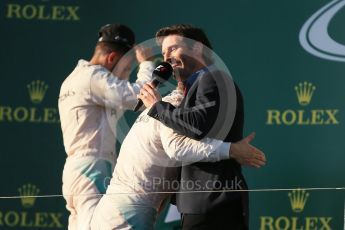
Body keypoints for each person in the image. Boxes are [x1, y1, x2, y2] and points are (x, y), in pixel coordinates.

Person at [90, 81, 265, 230]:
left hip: (111, 209)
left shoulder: (154, 108)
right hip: (128, 212)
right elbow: (178, 148)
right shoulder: (172, 105)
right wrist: (231, 150)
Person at [139, 24, 255, 229]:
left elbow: (197, 124)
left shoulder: (214, 77)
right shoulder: (196, 85)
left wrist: (158, 107)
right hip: (202, 203)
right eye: (164, 52)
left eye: (173, 48)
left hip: (213, 202)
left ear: (198, 48)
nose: (166, 57)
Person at [58, 23, 154, 230]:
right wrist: (146, 64)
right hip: (92, 169)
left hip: (77, 169)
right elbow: (139, 97)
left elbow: (119, 100)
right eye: (126, 68)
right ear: (111, 59)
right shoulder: (94, 77)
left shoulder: (74, 78)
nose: (126, 74)